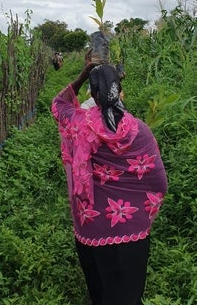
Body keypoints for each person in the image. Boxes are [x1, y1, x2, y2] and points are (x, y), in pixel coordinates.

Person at [51, 51, 168, 305]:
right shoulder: (140, 132)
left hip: (89, 228)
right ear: (121, 91)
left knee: (100, 292)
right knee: (127, 294)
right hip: (131, 232)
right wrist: (145, 214)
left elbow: (58, 103)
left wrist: (83, 72)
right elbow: (159, 182)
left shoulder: (77, 124)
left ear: (92, 96)